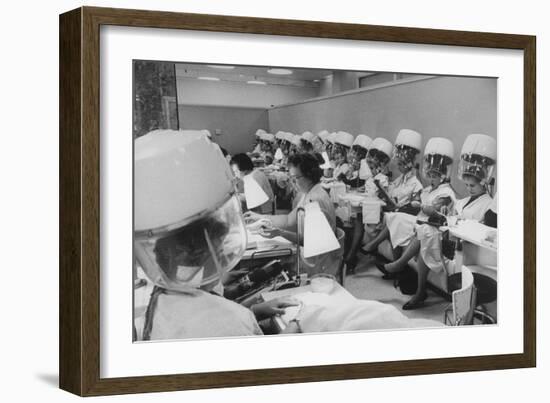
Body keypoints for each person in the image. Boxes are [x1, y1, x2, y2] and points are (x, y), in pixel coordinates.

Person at [134, 130, 297, 341]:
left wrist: (255, 310)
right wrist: (294, 329)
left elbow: (210, 308)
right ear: (212, 249)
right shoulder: (228, 322)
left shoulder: (163, 296)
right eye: (222, 244)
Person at [402, 134, 496, 310]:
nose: (469, 189)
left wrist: (455, 221)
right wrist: (446, 215)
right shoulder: (463, 201)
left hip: (467, 248)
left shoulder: (488, 204)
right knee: (426, 235)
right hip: (451, 239)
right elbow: (451, 216)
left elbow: (479, 229)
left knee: (426, 235)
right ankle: (419, 290)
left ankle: (417, 289)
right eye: (467, 185)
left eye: (472, 186)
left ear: (484, 183)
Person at [364, 137, 456, 279]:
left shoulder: (445, 192)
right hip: (419, 219)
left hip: (430, 225)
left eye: (434, 177)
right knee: (394, 217)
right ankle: (392, 263)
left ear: (442, 176)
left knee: (396, 218)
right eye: (429, 176)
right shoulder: (428, 190)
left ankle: (392, 261)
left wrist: (419, 205)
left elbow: (434, 209)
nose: (431, 180)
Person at [243, 153, 341, 277]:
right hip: (311, 254)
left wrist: (280, 233)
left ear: (309, 175)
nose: (292, 182)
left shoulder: (315, 200)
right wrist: (260, 217)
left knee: (263, 268)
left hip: (315, 264)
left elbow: (308, 241)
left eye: (295, 178)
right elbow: (289, 220)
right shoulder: (309, 192)